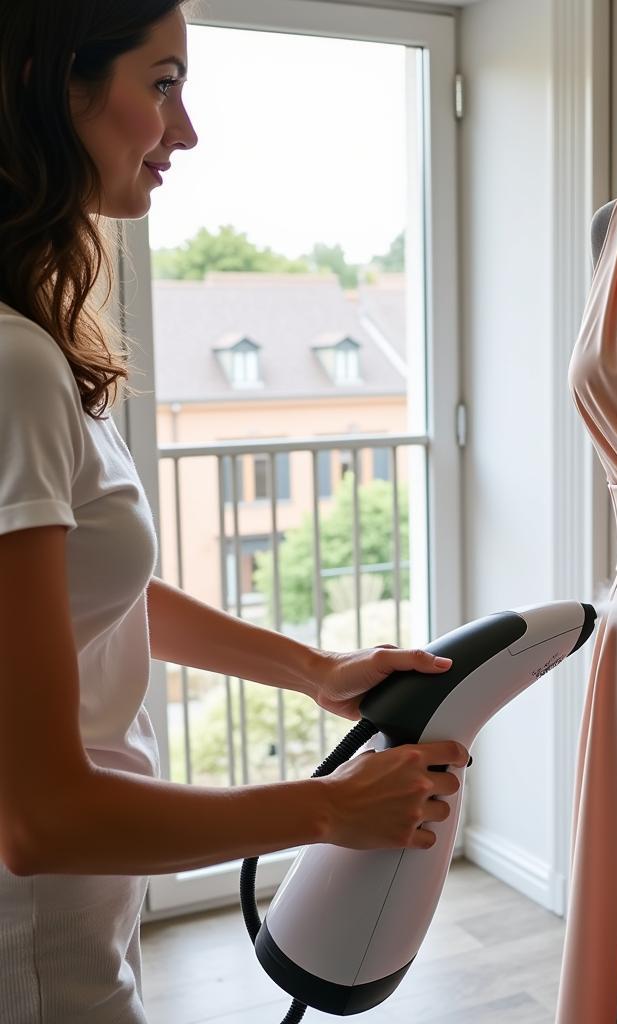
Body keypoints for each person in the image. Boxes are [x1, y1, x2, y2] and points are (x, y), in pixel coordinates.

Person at [0, 3, 469, 1021]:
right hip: (32, 950)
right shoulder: (14, 366)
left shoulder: (30, 342)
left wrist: (311, 671)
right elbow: (38, 818)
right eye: (161, 82)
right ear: (50, 78)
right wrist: (328, 811)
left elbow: (93, 591)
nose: (186, 129)